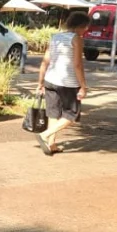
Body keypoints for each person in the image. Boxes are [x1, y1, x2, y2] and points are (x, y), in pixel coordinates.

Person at [36, 11, 89, 155]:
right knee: (71, 115)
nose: (86, 30)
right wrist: (83, 86)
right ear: (81, 26)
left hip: (50, 80)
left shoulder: (55, 37)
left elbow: (45, 61)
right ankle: (45, 135)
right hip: (68, 83)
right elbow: (78, 65)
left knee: (53, 113)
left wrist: (40, 82)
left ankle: (51, 145)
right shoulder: (76, 38)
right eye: (86, 27)